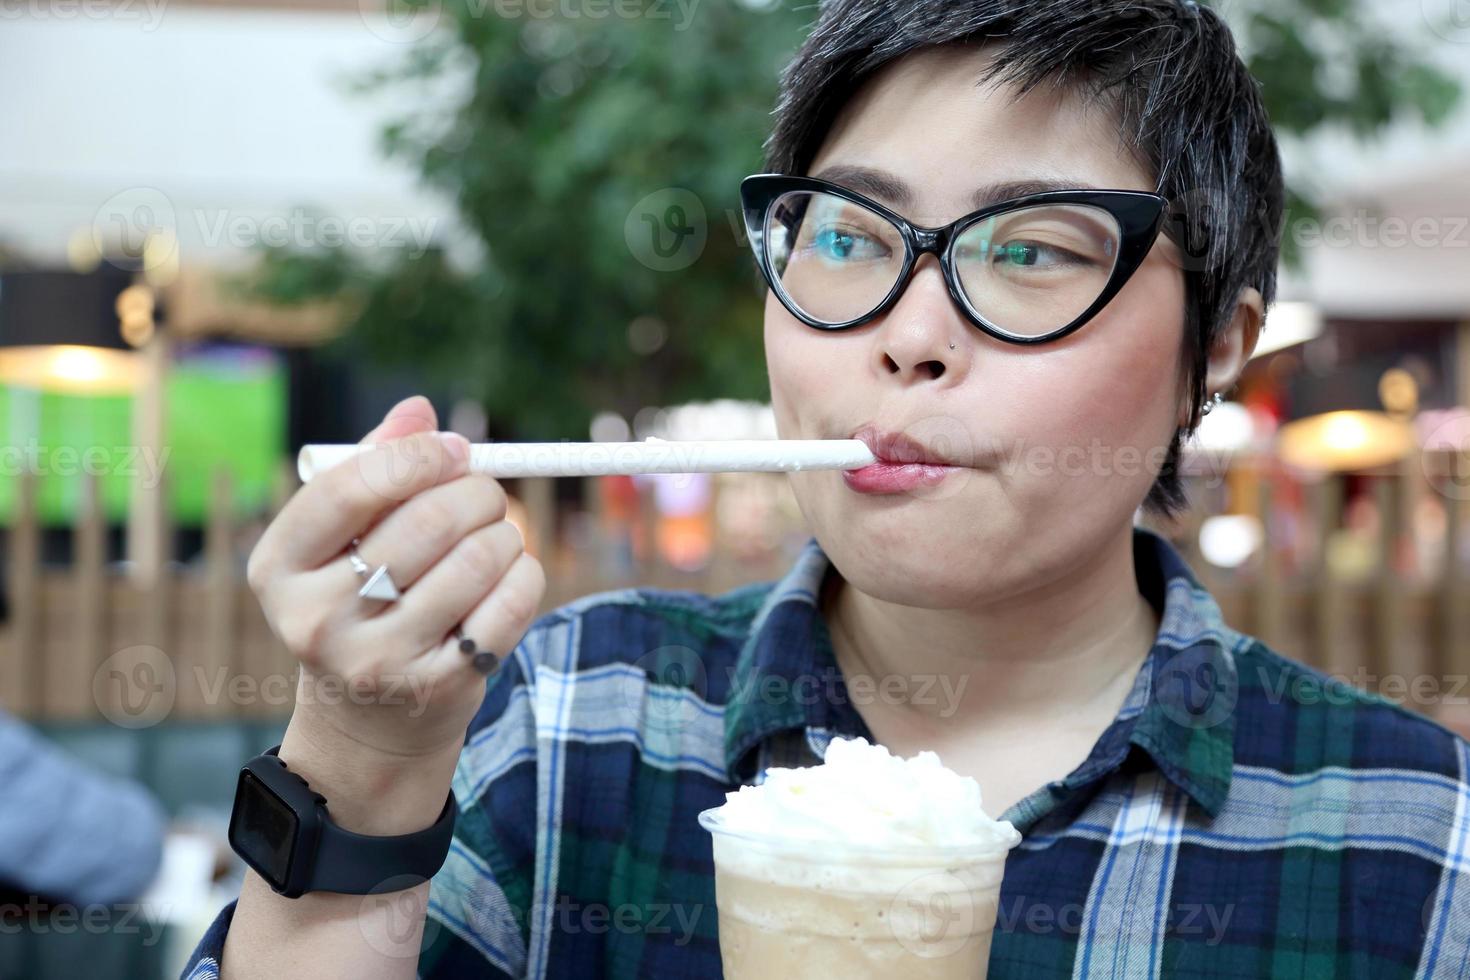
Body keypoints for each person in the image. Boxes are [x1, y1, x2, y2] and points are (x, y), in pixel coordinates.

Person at [183, 1, 1470, 976]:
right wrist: (362, 759)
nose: (908, 335)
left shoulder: (1418, 837)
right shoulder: (575, 719)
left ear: (1220, 347)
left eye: (1030, 250)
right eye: (848, 236)